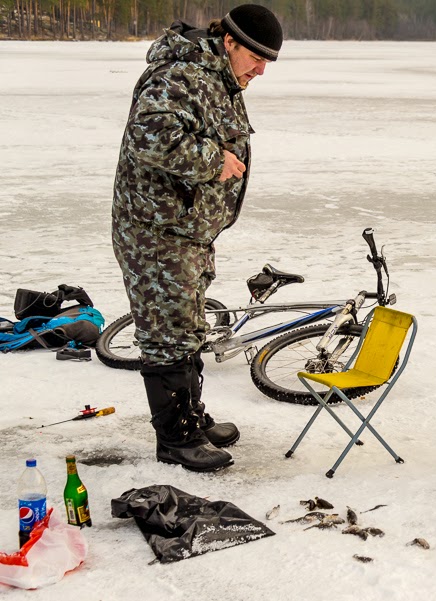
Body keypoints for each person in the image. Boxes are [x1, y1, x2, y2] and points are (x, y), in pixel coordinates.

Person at [111, 4, 283, 472]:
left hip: (186, 230)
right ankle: (176, 440)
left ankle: (190, 417)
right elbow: (149, 138)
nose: (261, 69)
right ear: (229, 41)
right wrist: (215, 162)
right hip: (155, 232)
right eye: (257, 57)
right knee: (166, 334)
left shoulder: (221, 79)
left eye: (269, 61)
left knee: (186, 327)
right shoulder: (180, 75)